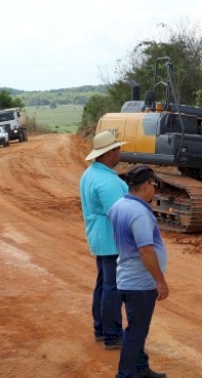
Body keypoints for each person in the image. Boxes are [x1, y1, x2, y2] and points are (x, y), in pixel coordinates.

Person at [110, 165, 169, 378]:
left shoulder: (119, 205)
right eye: (154, 185)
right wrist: (160, 281)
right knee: (136, 331)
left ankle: (141, 368)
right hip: (139, 283)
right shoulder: (139, 212)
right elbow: (145, 250)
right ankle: (125, 374)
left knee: (138, 328)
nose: (154, 189)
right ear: (146, 185)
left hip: (127, 276)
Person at [79, 130, 128, 349]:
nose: (120, 153)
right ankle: (113, 334)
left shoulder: (90, 174)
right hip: (112, 239)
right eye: (118, 149)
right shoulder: (107, 180)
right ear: (109, 153)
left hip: (100, 237)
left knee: (104, 284)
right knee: (113, 287)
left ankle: (101, 327)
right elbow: (118, 214)